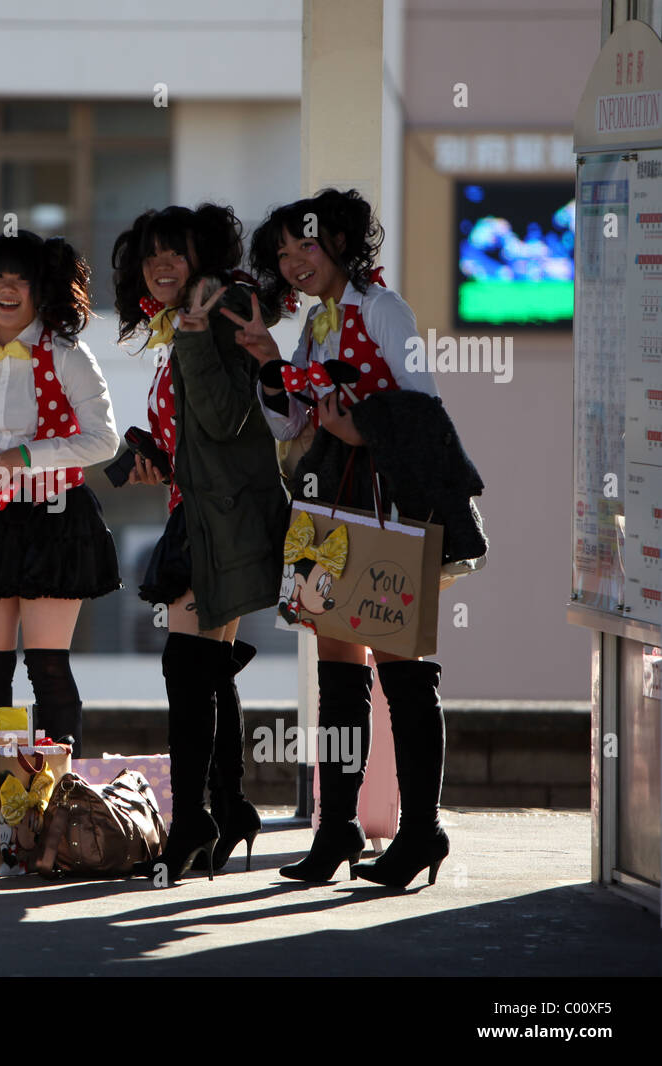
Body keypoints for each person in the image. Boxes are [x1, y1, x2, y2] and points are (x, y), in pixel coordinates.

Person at [228, 188, 487, 889]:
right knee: (337, 664)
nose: (292, 263)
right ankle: (337, 826)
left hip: (386, 497)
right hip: (328, 496)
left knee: (402, 667)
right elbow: (290, 426)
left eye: (303, 246)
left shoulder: (384, 308)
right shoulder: (315, 324)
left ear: (340, 239)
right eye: (281, 255)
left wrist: (359, 427)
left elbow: (424, 407)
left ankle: (421, 831)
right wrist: (265, 360)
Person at [112, 204, 290, 882]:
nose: (162, 265)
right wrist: (153, 454)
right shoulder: (191, 319)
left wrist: (189, 333)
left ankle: (195, 819)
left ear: (203, 257)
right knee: (204, 668)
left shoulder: (226, 306)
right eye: (151, 253)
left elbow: (224, 412)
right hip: (203, 509)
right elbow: (200, 430)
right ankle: (229, 806)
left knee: (187, 670)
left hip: (226, 517)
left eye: (176, 252)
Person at [0, 230, 120, 754]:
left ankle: (57, 798)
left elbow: (104, 439)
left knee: (48, 666)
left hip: (55, 518)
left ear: (40, 290)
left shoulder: (68, 355)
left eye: (21, 279)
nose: (7, 289)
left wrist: (30, 456)